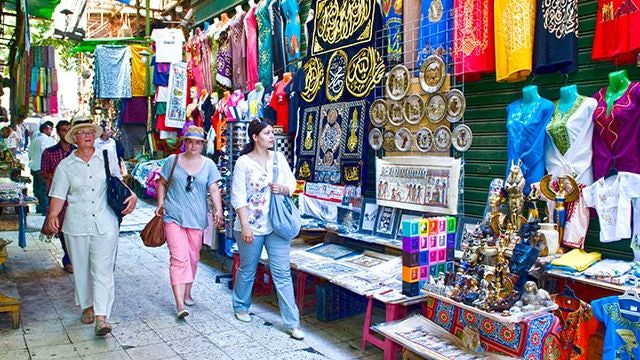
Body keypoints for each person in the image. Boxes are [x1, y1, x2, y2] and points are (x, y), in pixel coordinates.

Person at [43, 117, 137, 337]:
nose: (87, 135)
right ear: (74, 138)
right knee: (82, 269)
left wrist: (132, 195)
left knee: (103, 270)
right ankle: (86, 305)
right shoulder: (66, 166)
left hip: (105, 223)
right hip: (76, 223)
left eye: (89, 131)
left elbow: (118, 182)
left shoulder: (106, 156)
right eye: (81, 132)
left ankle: (101, 317)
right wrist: (52, 216)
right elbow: (58, 196)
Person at [230, 119, 303, 340]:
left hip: (276, 224)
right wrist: (244, 226)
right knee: (248, 269)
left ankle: (292, 323)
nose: (272, 137)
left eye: (272, 133)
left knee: (282, 273)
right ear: (255, 137)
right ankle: (241, 306)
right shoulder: (243, 162)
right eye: (267, 133)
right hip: (250, 225)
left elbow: (292, 183)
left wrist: (284, 188)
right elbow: (237, 196)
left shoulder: (279, 158)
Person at [155, 125, 224, 319]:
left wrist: (217, 209)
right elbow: (161, 182)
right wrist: (160, 204)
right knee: (178, 259)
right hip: (173, 216)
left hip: (197, 218)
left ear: (203, 144)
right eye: (190, 142)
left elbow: (214, 188)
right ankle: (179, 304)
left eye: (198, 143)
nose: (193, 146)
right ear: (185, 142)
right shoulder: (173, 160)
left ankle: (187, 292)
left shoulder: (209, 165)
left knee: (193, 257)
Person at [41, 120, 75, 274]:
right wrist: (60, 176)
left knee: (75, 226)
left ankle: (75, 258)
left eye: (69, 129)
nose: (66, 132)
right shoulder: (49, 152)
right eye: (63, 130)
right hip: (58, 195)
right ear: (58, 132)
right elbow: (44, 173)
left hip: (75, 195)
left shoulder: (78, 151)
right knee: (61, 228)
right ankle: (68, 258)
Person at [29, 121, 55, 213]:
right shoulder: (46, 140)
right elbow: (48, 155)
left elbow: (30, 153)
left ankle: (39, 208)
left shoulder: (35, 139)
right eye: (50, 129)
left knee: (37, 190)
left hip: (34, 167)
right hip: (42, 168)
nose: (51, 131)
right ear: (45, 129)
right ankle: (44, 209)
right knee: (44, 190)